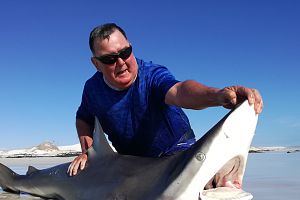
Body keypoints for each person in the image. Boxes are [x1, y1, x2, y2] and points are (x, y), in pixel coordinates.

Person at [68, 23, 263, 176]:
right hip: (132, 164)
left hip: (178, 151)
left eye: (125, 53)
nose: (121, 62)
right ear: (96, 64)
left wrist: (217, 96)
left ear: (131, 48)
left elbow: (180, 91)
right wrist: (89, 151)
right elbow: (83, 118)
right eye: (110, 59)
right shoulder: (93, 89)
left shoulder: (152, 75)